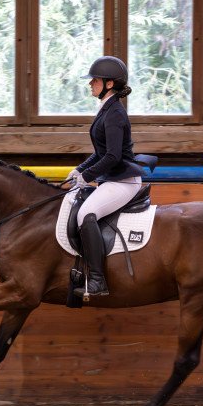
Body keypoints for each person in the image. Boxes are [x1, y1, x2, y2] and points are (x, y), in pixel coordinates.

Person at [67, 56, 148, 298]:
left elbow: (112, 156)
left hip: (123, 181)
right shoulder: (107, 109)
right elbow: (101, 152)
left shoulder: (114, 114)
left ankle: (97, 280)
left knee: (85, 215)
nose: (90, 83)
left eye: (95, 80)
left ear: (109, 84)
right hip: (112, 179)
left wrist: (88, 175)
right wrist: (80, 170)